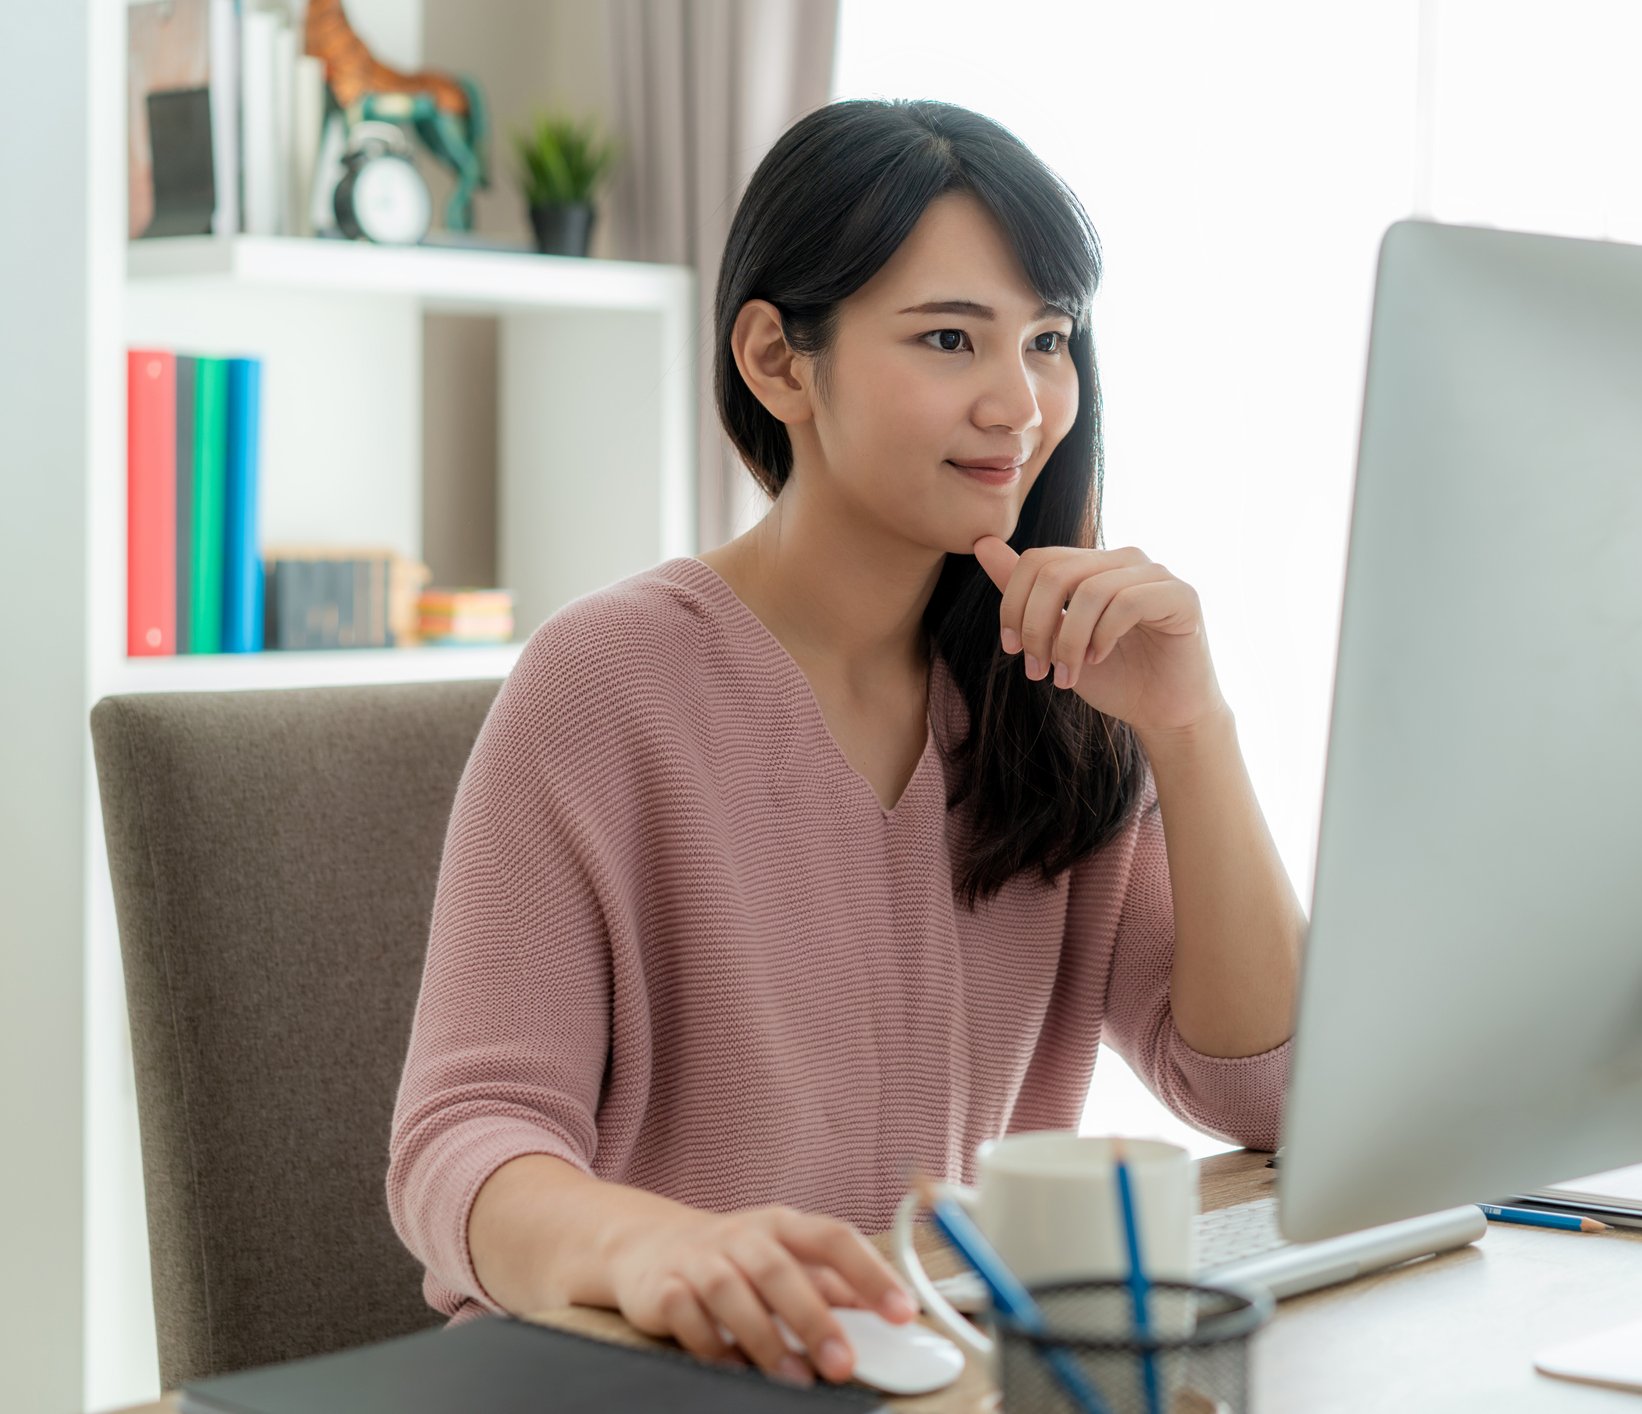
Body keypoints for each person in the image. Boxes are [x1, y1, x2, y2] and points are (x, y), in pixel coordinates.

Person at [384, 97, 1306, 1390]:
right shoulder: (601, 683)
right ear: (776, 360)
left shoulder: (1061, 696)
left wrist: (1194, 729)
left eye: (1049, 339)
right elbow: (457, 1145)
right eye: (949, 337)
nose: (1020, 402)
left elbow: (1273, 1099)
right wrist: (659, 1252)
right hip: (623, 1376)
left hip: (933, 1375)